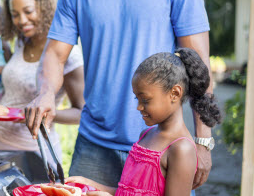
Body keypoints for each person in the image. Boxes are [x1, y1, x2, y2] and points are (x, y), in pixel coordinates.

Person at [25, 0, 215, 190]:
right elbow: (55, 55)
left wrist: (203, 142)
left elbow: (199, 66)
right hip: (95, 146)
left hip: (162, 146)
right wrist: (46, 92)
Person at [67, 48, 221, 196]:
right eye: (137, 98)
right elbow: (126, 192)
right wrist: (86, 184)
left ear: (175, 93)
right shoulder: (146, 135)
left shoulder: (181, 149)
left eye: (145, 100)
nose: (139, 107)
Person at [0, 0, 85, 164]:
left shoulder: (68, 53)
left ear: (44, 7)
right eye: (15, 14)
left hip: (35, 152)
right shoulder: (20, 42)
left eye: (28, 11)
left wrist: (44, 113)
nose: (21, 20)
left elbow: (82, 113)